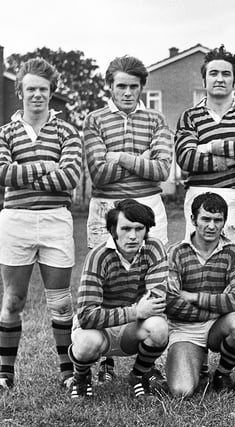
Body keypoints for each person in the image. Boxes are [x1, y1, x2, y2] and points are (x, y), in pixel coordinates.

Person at [175, 45, 235, 374]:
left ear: (234, 79)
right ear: (205, 78)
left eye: (225, 73)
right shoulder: (190, 116)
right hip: (200, 197)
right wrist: (234, 153)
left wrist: (212, 147)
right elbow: (185, 158)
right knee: (201, 280)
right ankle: (198, 359)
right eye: (213, 73)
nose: (219, 78)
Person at [83, 55, 172, 381]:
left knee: (153, 279)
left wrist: (119, 156)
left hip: (150, 204)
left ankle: (150, 365)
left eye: (134, 86)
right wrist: (141, 159)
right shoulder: (94, 120)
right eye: (121, 86)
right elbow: (99, 174)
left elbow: (162, 169)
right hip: (105, 207)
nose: (127, 92)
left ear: (142, 88)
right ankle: (103, 361)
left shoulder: (156, 120)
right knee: (106, 280)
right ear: (110, 86)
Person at [0, 58, 82, 390]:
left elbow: (71, 176)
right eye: (31, 89)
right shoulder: (5, 132)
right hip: (16, 220)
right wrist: (46, 166)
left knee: (61, 301)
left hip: (55, 220)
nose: (37, 95)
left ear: (51, 93)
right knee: (13, 300)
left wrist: (25, 172)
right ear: (20, 92)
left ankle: (68, 373)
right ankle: (5, 374)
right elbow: (2, 173)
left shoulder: (67, 131)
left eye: (43, 89)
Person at [68, 199, 169, 398]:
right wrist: (135, 311)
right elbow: (87, 315)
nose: (132, 236)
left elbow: (156, 301)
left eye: (139, 228)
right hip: (99, 331)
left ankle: (138, 376)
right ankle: (81, 377)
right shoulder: (98, 256)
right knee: (87, 342)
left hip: (132, 329)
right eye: (125, 228)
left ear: (146, 230)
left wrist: (139, 313)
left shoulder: (154, 248)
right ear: (113, 229)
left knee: (159, 327)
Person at [165, 193, 235, 397]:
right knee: (182, 391)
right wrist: (217, 307)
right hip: (185, 329)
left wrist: (195, 297)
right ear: (193, 220)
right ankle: (194, 364)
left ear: (224, 222)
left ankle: (222, 373)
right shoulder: (175, 252)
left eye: (217, 220)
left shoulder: (233, 252)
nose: (211, 226)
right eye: (205, 219)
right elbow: (171, 303)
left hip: (216, 326)